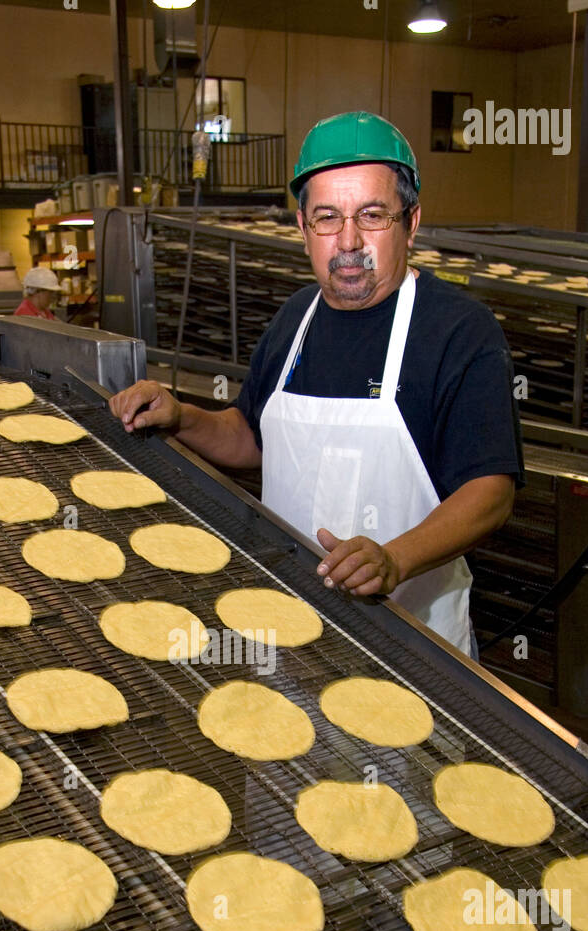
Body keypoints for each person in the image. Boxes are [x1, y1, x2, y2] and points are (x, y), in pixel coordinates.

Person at [109, 111, 523, 657]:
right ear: (303, 228)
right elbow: (251, 439)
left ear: (411, 221)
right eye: (327, 218)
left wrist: (394, 558)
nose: (348, 241)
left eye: (371, 215)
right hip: (286, 625)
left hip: (414, 643)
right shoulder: (295, 318)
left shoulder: (458, 330)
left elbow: (491, 492)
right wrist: (182, 415)